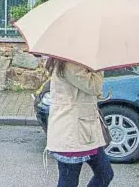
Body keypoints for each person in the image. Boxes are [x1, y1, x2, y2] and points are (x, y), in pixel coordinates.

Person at [45, 58, 114, 187]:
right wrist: (100, 67)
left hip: (86, 132)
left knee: (105, 174)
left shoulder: (77, 62)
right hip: (71, 133)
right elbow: (94, 86)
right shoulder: (69, 64)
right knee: (69, 182)